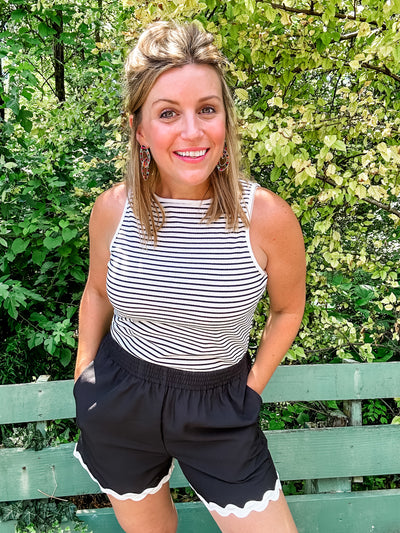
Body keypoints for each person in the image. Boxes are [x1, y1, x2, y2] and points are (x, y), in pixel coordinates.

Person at [73, 21, 305, 533]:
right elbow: (96, 292)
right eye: (168, 113)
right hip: (120, 399)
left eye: (207, 109)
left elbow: (288, 309)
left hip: (220, 408)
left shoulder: (266, 218)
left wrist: (252, 389)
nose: (193, 131)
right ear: (139, 129)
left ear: (225, 118)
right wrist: (84, 371)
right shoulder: (115, 209)